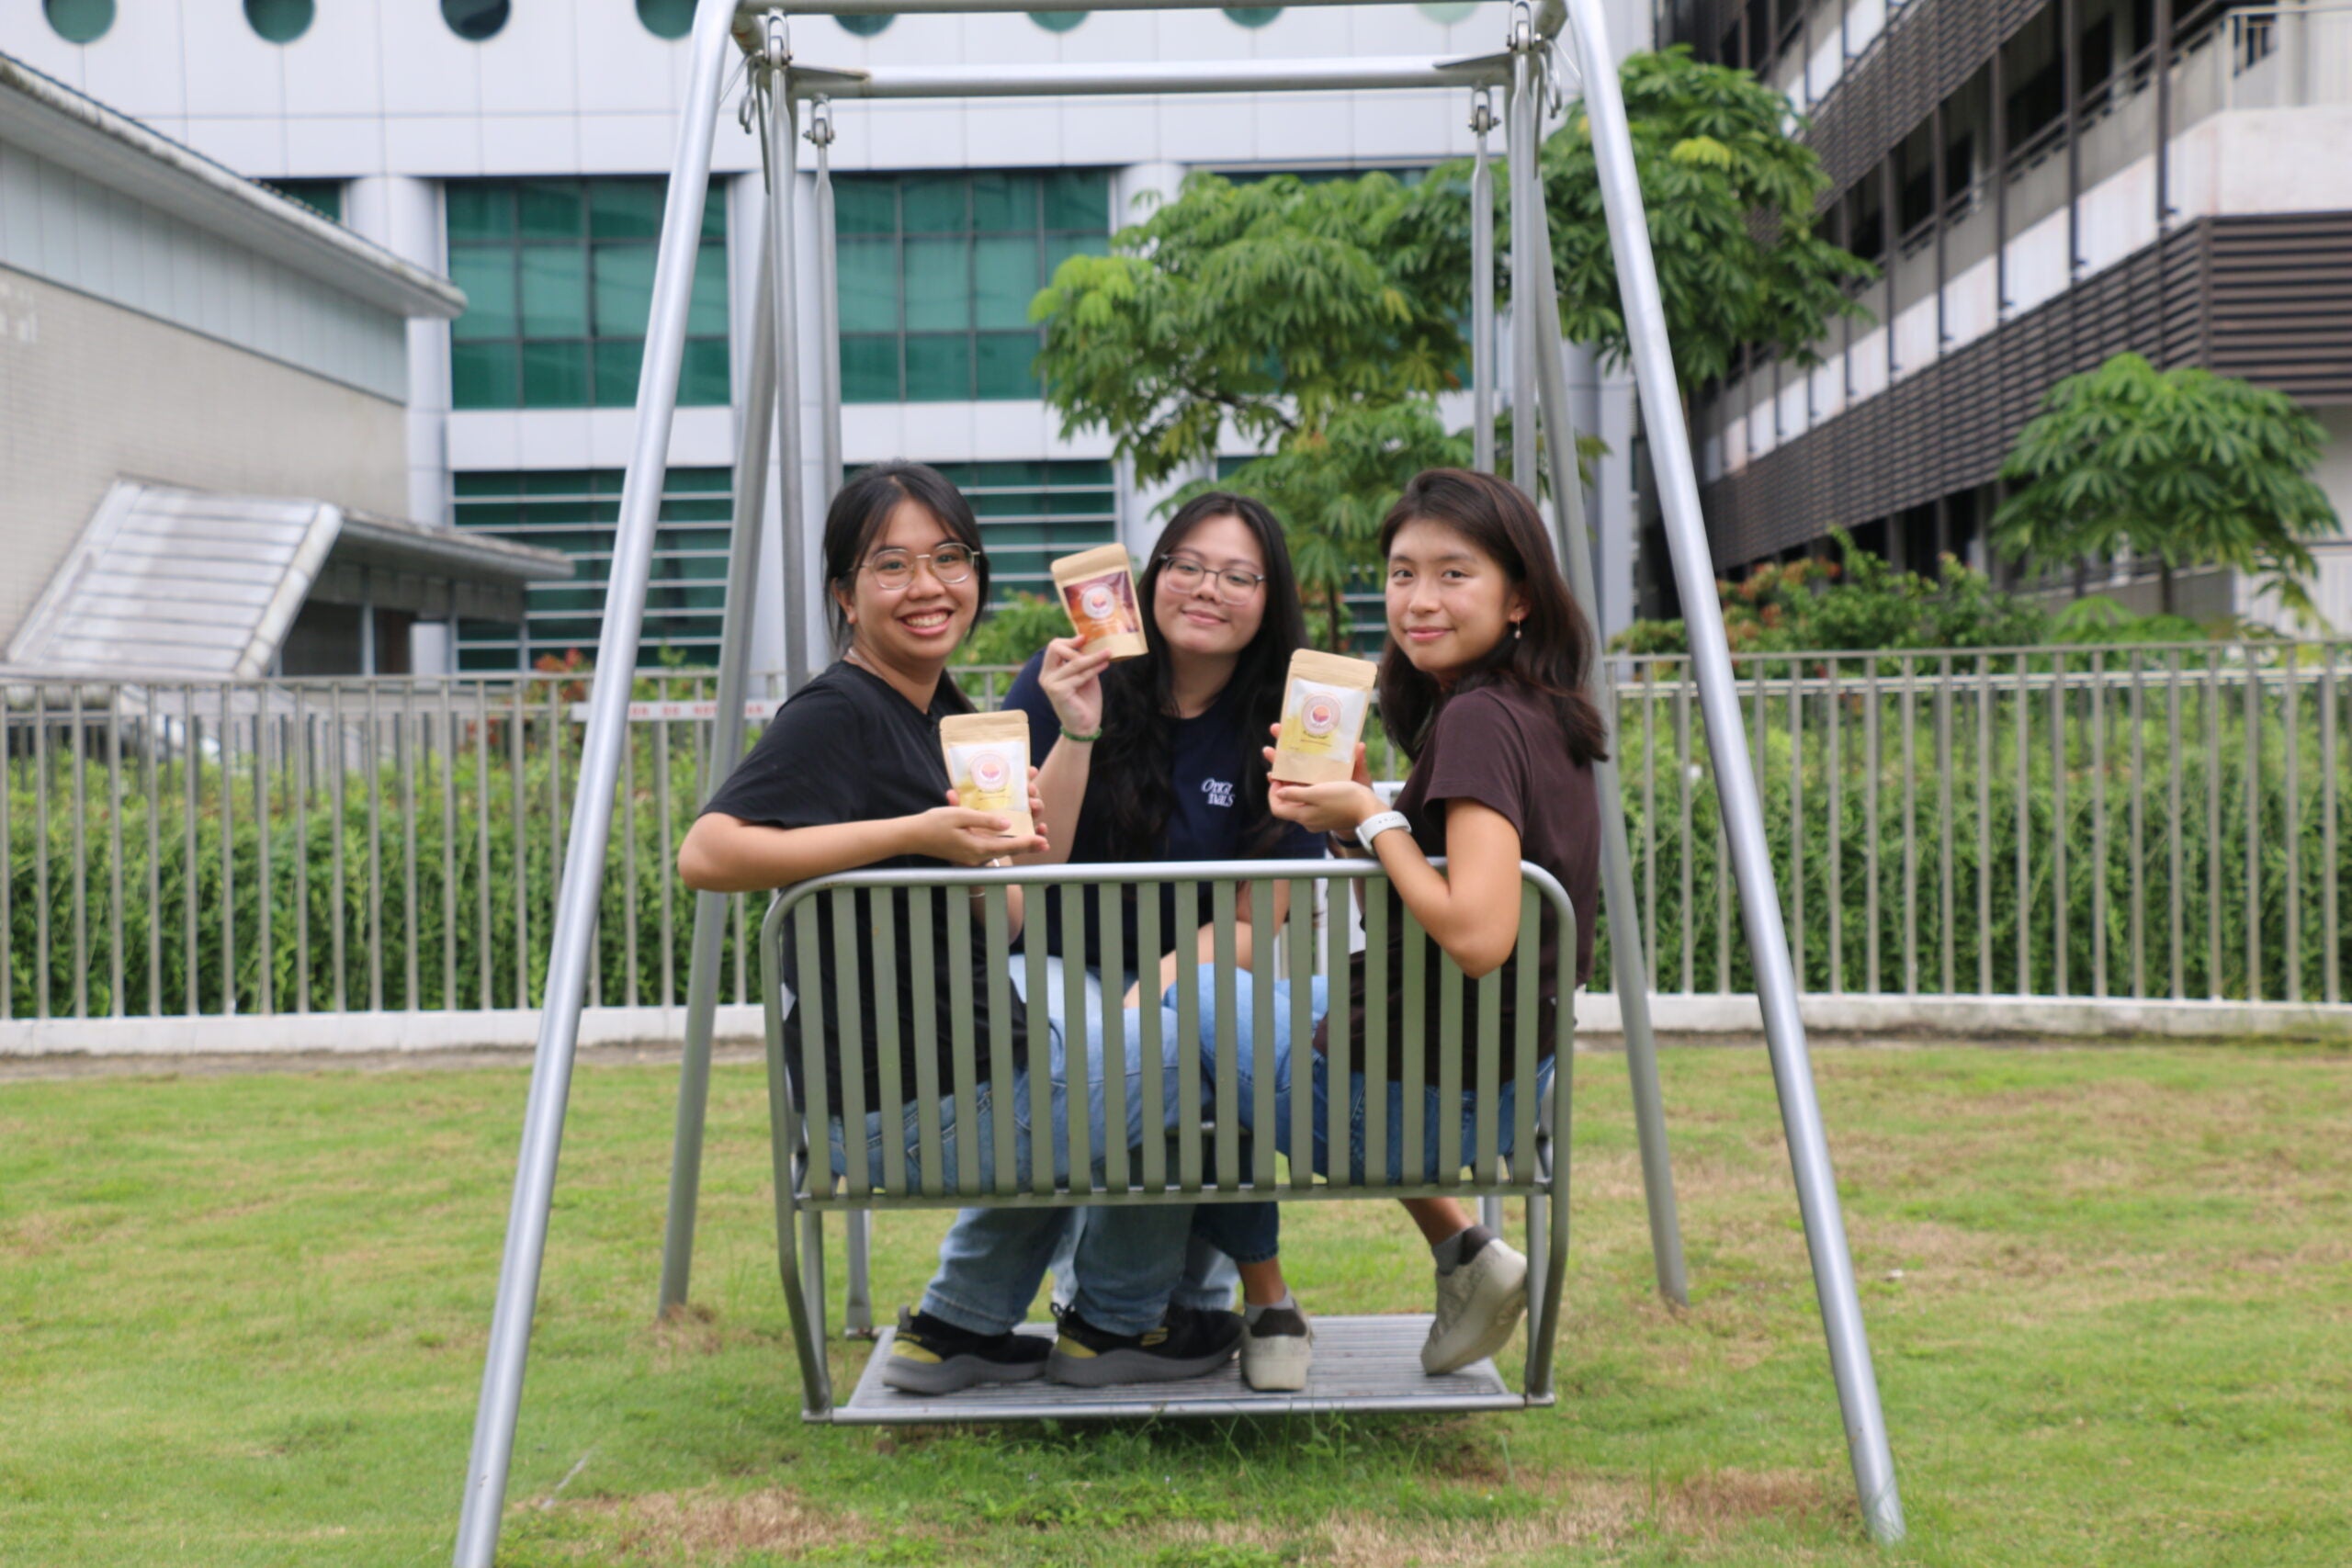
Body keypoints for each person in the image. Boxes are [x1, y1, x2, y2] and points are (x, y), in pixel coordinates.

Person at [678, 461, 1233, 1397]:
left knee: (1124, 1058)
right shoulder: (837, 714)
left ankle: (963, 1329)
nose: (927, 586)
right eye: (890, 566)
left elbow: (1015, 892)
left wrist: (1075, 732)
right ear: (844, 597)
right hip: (915, 1111)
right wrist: (915, 834)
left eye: (948, 558)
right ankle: (1118, 1322)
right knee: (1198, 1050)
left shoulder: (946, 715)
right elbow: (708, 851)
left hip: (966, 1077)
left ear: (974, 573)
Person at [1171, 468, 1604, 1378]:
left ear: (1519, 596)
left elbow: (1478, 937)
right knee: (1255, 995)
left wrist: (1372, 817)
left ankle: (1260, 1305)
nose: (1419, 600)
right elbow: (1454, 902)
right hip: (1492, 1086)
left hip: (1401, 1107)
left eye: (1454, 575)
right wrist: (1369, 828)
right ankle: (1463, 1254)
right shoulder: (1536, 711)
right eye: (1403, 574)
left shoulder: (1480, 720)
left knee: (1176, 1010)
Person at [999, 491, 1326, 1391]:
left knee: (1188, 1037)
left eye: (1237, 574)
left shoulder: (1292, 720)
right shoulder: (1065, 673)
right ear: (1148, 579)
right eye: (1185, 564)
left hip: (1193, 974)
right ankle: (1121, 1314)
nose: (1206, 588)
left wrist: (1169, 983)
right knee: (1123, 1058)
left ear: (1271, 598)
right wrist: (1074, 727)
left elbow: (1260, 919)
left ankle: (1133, 1313)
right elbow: (1031, 863)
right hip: (1057, 960)